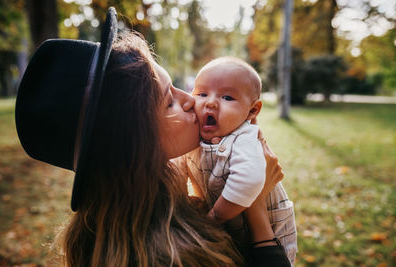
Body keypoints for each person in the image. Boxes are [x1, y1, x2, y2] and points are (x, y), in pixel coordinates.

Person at [15, 7, 290, 267]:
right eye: (169, 101)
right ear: (135, 142)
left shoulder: (118, 219)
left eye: (178, 88)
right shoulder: (177, 253)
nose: (190, 100)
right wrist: (256, 209)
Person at [176, 57, 297, 264]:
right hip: (235, 232)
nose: (211, 102)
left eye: (227, 97)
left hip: (271, 238)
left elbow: (248, 180)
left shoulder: (244, 138)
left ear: (252, 111)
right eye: (202, 93)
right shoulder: (199, 136)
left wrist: (214, 218)